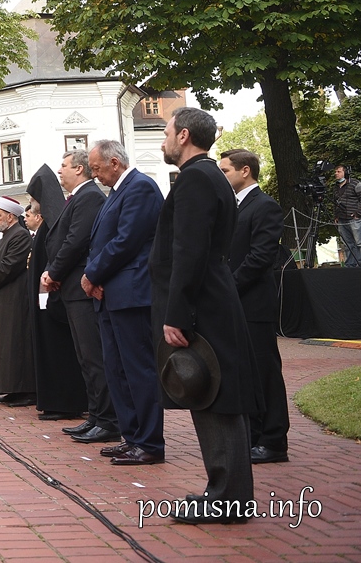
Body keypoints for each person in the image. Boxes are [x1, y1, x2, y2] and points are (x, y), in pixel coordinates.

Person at [151, 107, 262, 523]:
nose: (163, 141)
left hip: (204, 303)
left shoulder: (196, 178)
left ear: (183, 136)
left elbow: (189, 250)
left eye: (166, 133)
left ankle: (227, 499)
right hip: (212, 298)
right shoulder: (209, 175)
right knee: (215, 395)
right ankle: (227, 493)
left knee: (214, 395)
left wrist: (176, 313)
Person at [79, 139, 165, 458]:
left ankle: (149, 442)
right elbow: (100, 242)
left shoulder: (140, 187)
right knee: (117, 370)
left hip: (132, 293)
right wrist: (96, 275)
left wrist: (92, 274)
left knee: (137, 369)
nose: (95, 175)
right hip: (112, 293)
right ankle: (132, 436)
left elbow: (126, 240)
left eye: (97, 169)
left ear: (114, 163)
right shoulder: (116, 192)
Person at [219, 149, 291, 465]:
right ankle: (253, 435)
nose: (221, 176)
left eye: (225, 170)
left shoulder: (265, 206)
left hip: (254, 304)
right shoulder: (233, 207)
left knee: (265, 373)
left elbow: (261, 257)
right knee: (244, 372)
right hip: (235, 304)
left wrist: (228, 287)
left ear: (245, 170)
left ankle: (274, 440)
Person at [40, 151, 115, 430]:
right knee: (85, 358)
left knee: (94, 357)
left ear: (80, 169)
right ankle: (95, 415)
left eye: (64, 166)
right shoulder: (78, 197)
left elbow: (75, 241)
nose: (60, 171)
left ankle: (106, 419)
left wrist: (53, 273)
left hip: (82, 288)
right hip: (72, 288)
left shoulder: (89, 197)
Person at [26, 199, 85, 421]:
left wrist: (52, 276)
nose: (30, 205)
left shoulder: (52, 226)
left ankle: (66, 404)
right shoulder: (46, 228)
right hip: (47, 298)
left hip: (57, 297)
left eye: (33, 200)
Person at [0, 196, 35, 406]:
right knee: (3, 346)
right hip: (3, 297)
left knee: (15, 345)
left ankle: (24, 390)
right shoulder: (8, 235)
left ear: (10, 217)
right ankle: (11, 388)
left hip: (14, 300)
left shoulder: (20, 235)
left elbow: (10, 265)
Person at [333, 164, 361, 267]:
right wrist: (336, 216)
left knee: (359, 242)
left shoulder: (355, 184)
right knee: (347, 244)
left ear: (346, 173)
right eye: (335, 172)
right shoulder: (335, 187)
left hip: (354, 218)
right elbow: (335, 202)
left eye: (339, 171)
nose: (336, 174)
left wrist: (358, 213)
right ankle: (350, 265)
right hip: (342, 219)